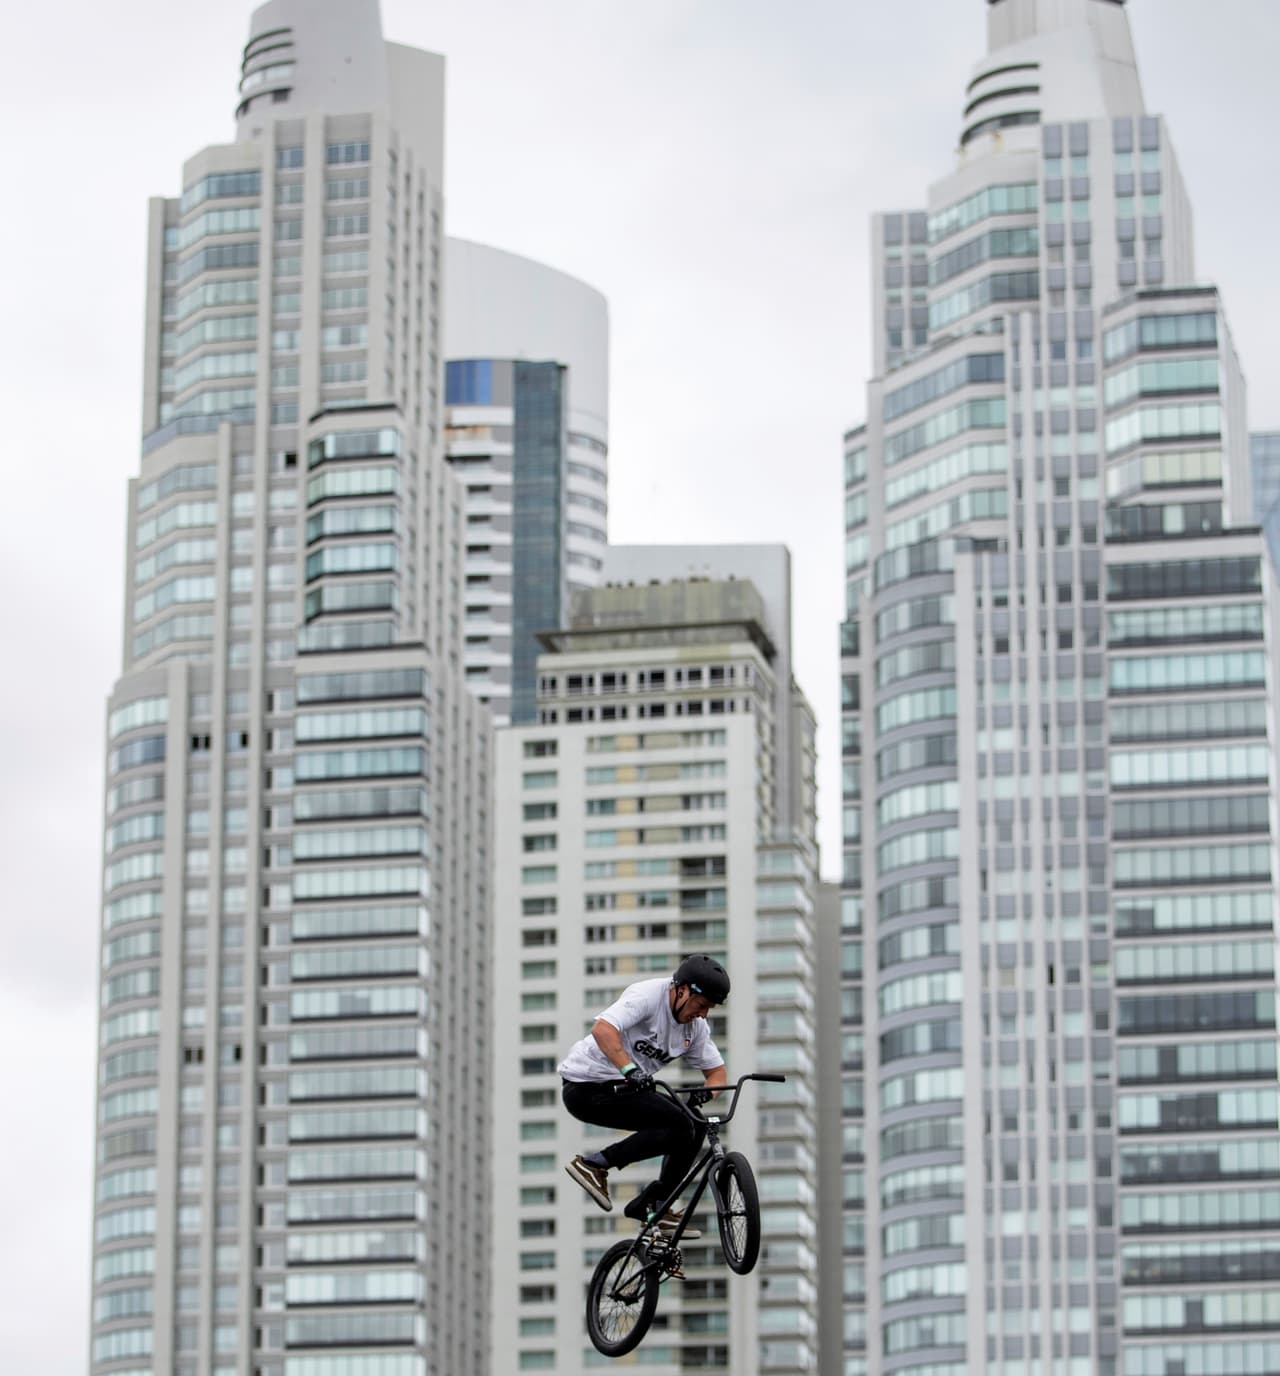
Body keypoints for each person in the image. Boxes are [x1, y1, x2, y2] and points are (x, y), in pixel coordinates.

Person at [560, 954, 729, 1236]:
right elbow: (603, 1029)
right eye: (701, 1005)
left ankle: (657, 1205)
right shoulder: (649, 995)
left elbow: (717, 1074)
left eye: (709, 1009)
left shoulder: (695, 1029)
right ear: (683, 990)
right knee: (678, 1124)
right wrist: (629, 1070)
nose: (703, 1014)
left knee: (694, 1124)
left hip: (624, 1087)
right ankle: (593, 1165)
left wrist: (706, 1094)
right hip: (586, 1085)